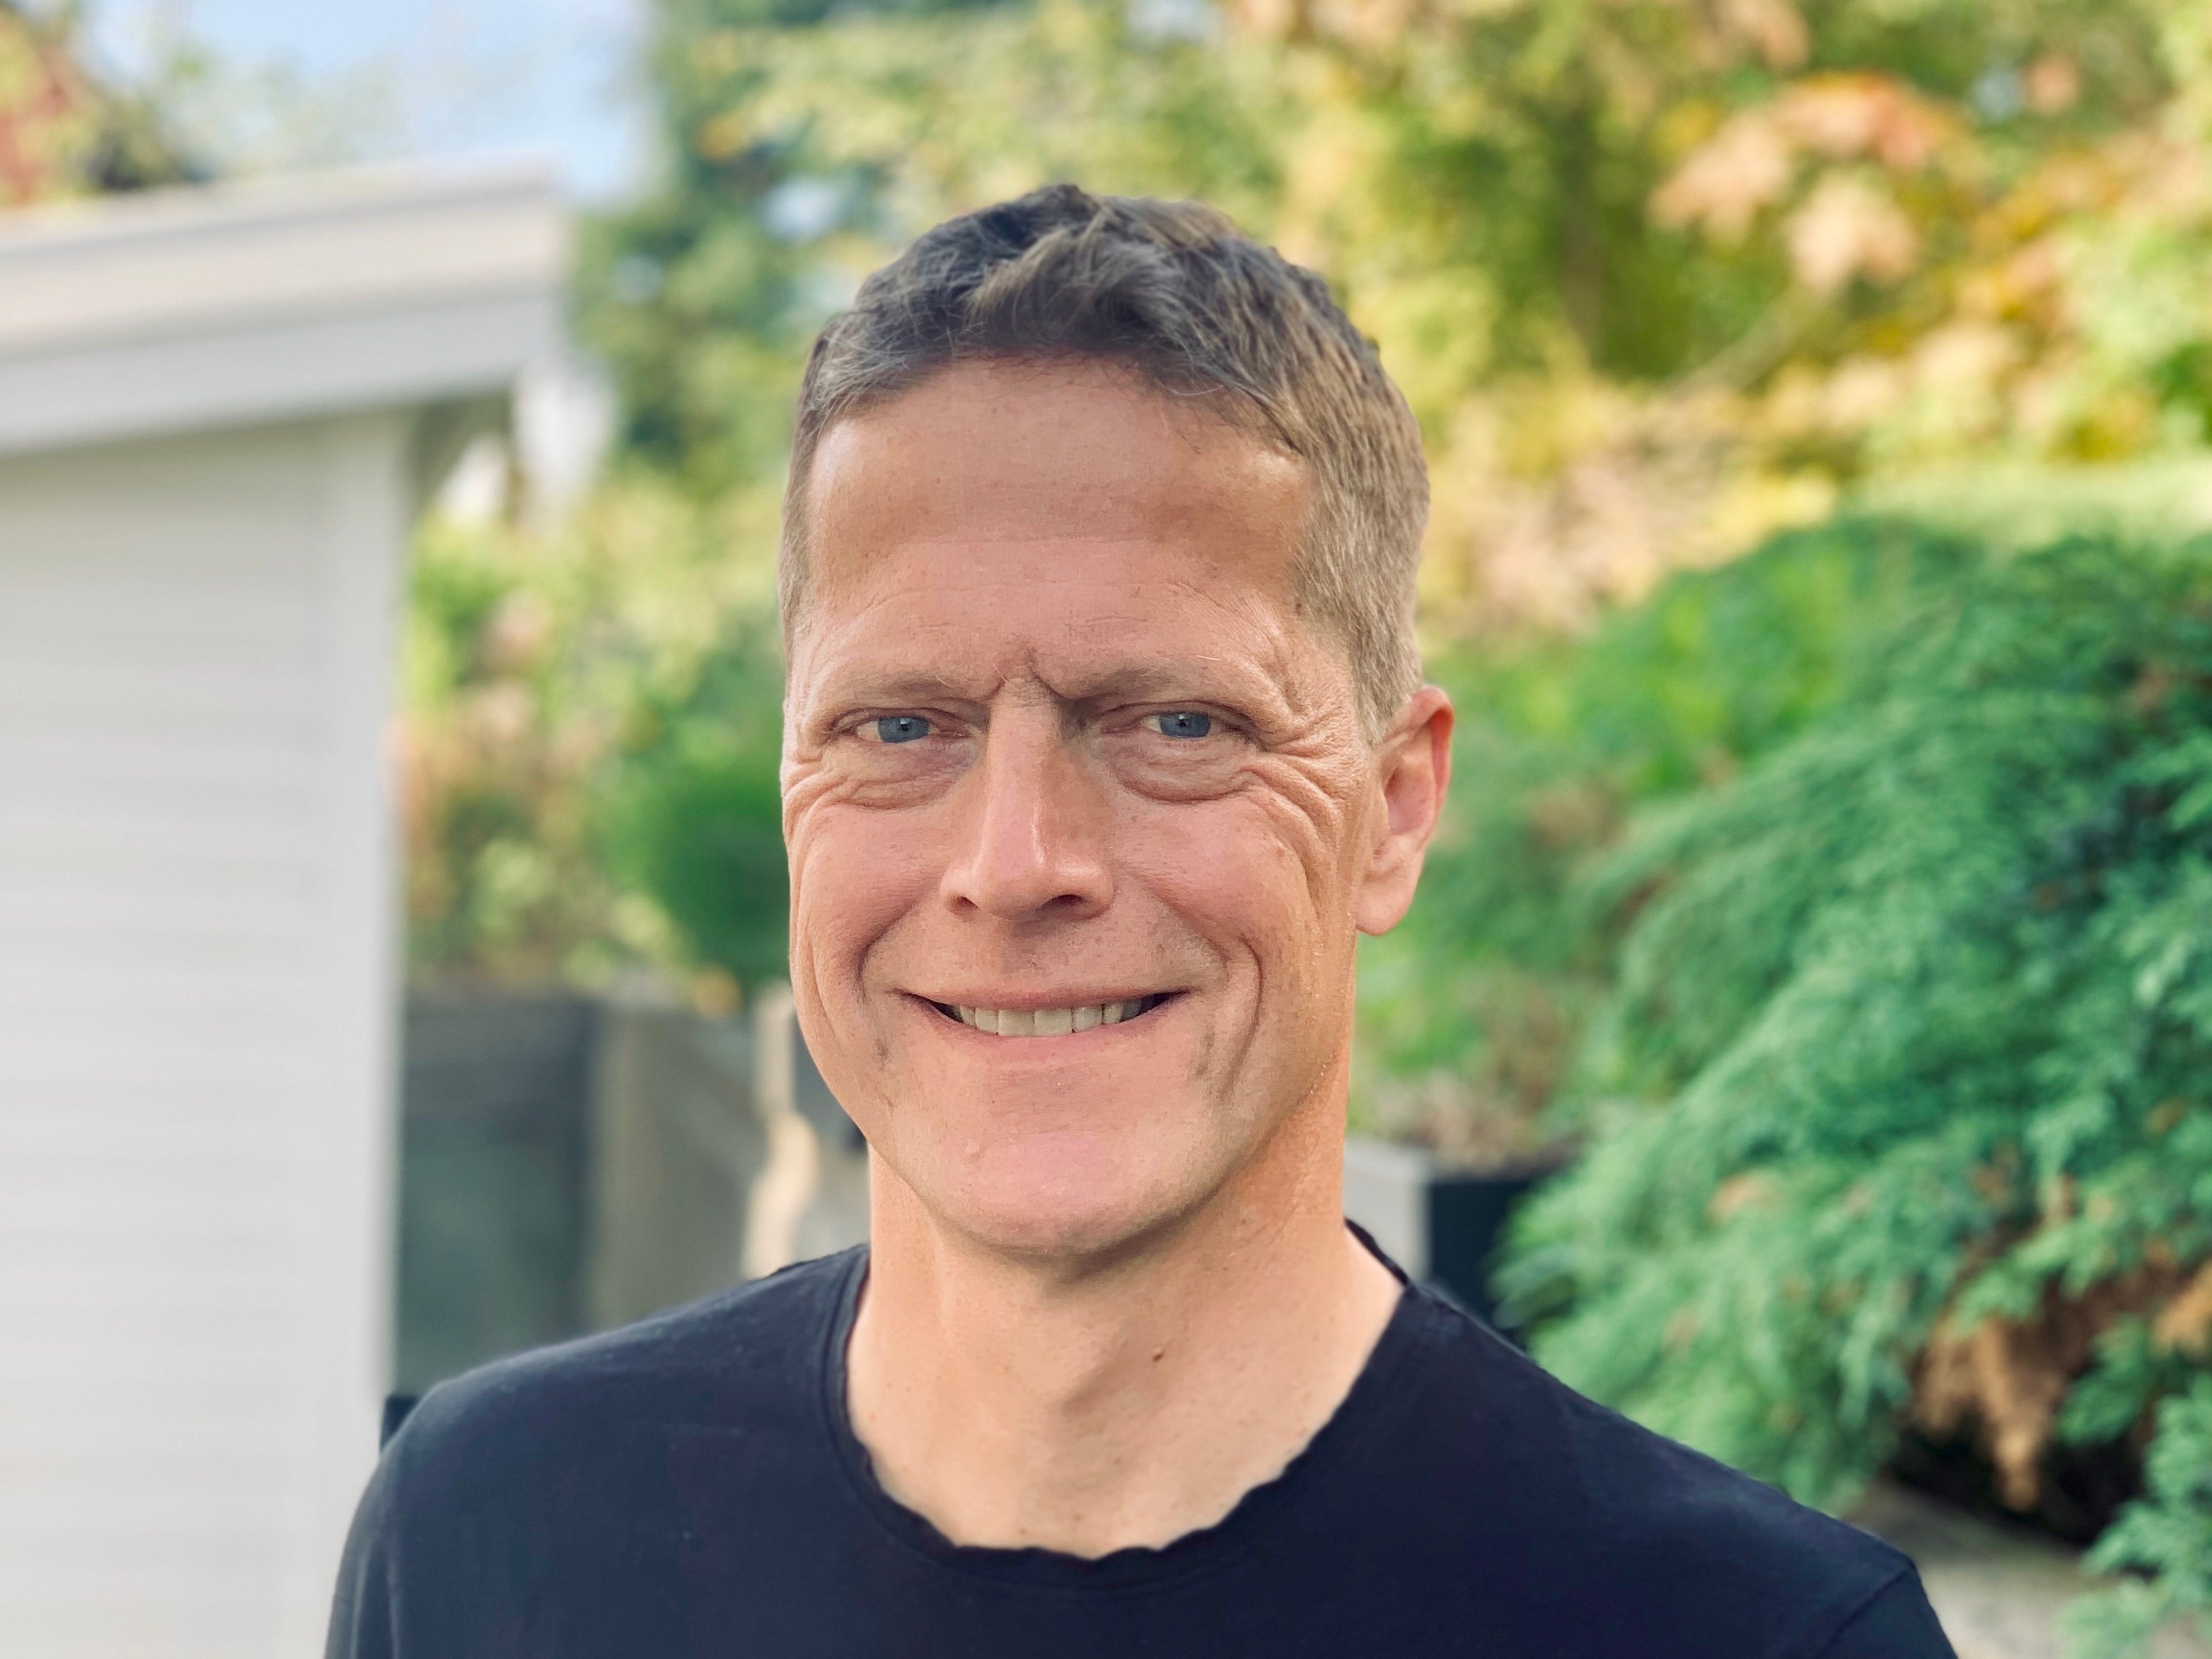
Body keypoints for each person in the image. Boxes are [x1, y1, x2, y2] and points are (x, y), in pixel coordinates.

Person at [328, 184, 1954, 1658]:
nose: (1017, 861)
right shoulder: (491, 1542)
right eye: (899, 726)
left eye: (1176, 723)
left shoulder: (1754, 1638)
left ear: (1394, 808)